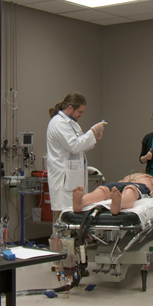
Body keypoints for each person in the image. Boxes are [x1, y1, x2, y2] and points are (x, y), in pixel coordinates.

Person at [46, 92, 107, 221]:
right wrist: (92, 132)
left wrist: (93, 136)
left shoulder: (72, 124)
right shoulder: (59, 123)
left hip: (73, 178)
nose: (81, 115)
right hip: (63, 179)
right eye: (80, 111)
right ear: (70, 108)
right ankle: (58, 241)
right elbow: (74, 146)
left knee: (74, 218)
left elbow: (80, 147)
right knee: (63, 220)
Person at [72, 173, 153, 215]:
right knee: (103, 190)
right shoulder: (136, 174)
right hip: (120, 183)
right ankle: (81, 201)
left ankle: (119, 203)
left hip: (139, 186)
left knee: (130, 190)